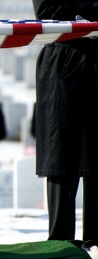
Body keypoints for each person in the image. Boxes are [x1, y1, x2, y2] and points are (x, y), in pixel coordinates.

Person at [32, 0, 98, 244]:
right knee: (62, 156)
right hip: (63, 58)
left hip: (94, 57)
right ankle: (61, 240)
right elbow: (48, 11)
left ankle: (95, 237)